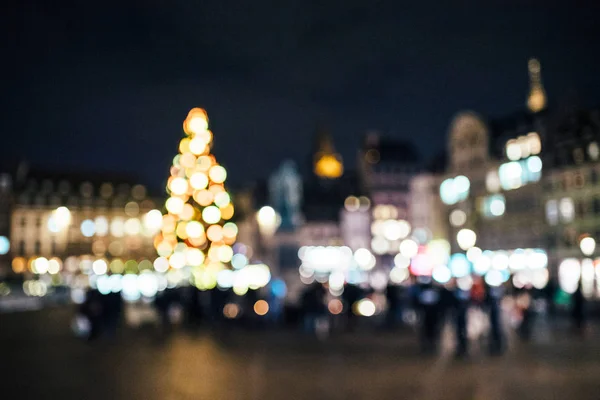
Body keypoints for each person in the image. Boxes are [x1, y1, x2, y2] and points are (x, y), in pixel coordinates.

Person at [485, 282, 504, 355]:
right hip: (494, 318)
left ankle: (497, 346)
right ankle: (496, 346)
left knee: (497, 329)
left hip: (495, 319)